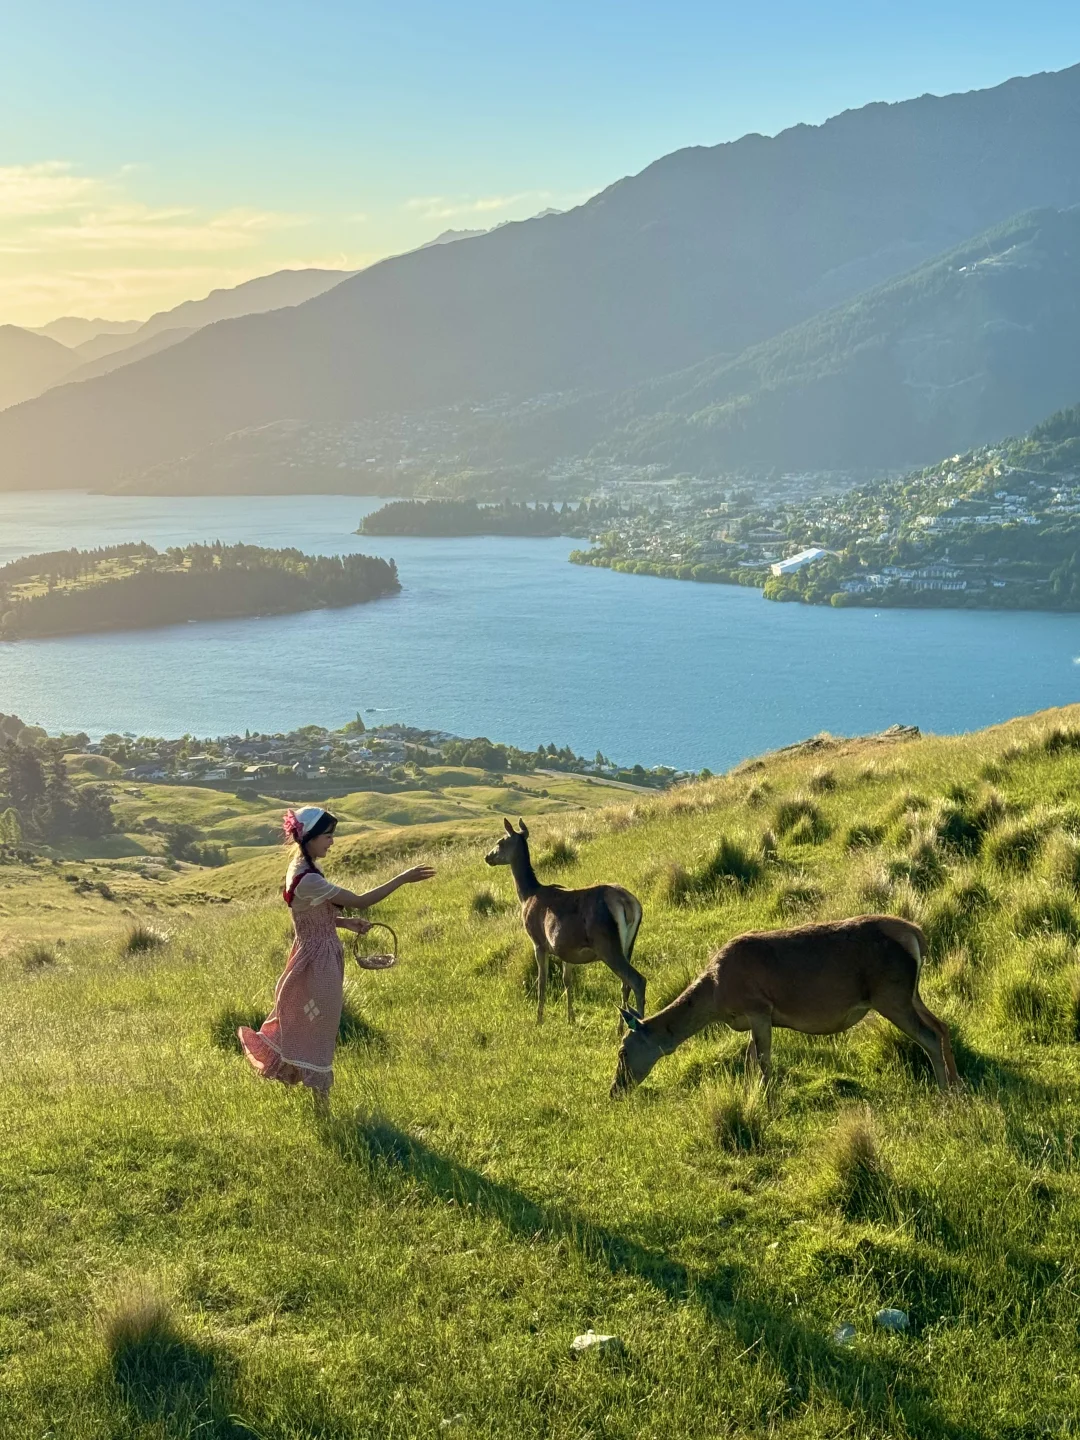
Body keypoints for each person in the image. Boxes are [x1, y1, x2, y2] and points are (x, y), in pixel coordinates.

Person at [238, 805, 435, 1114]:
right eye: (328, 836)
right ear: (311, 838)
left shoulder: (302, 868)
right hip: (319, 963)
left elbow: (309, 915)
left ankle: (312, 1094)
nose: (332, 842)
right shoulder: (309, 878)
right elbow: (360, 900)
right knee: (321, 1031)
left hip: (312, 956)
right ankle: (321, 1107)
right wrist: (404, 878)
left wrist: (344, 923)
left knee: (311, 1023)